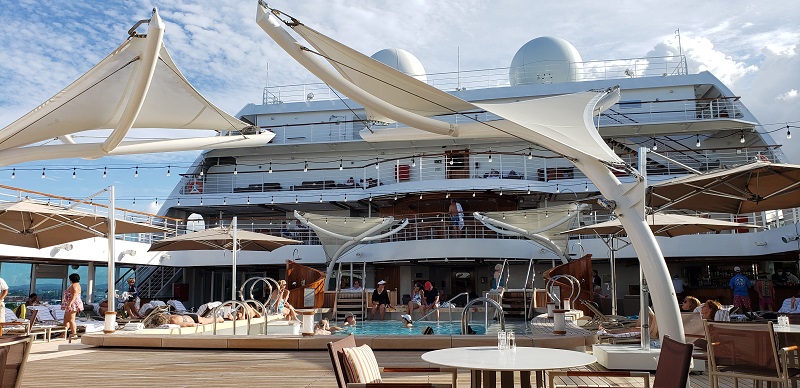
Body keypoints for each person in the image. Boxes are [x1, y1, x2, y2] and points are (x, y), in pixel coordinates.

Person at [61, 273, 84, 342]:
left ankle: (74, 334)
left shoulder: (74, 286)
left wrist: (69, 304)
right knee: (66, 319)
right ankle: (63, 334)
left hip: (72, 304)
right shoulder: (77, 285)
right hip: (72, 304)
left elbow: (74, 295)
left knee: (71, 320)